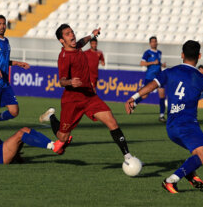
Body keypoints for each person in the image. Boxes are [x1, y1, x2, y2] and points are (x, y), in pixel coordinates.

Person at [125, 40, 203, 194]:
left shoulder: (170, 72)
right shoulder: (202, 79)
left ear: (182, 55)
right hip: (187, 125)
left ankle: (189, 172)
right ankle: (171, 180)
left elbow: (152, 85)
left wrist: (134, 98)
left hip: (171, 127)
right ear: (199, 56)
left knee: (201, 151)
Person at [41, 24, 137, 162]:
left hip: (90, 97)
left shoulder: (77, 46)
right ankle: (51, 116)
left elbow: (83, 40)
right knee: (63, 138)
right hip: (72, 101)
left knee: (112, 122)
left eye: (72, 32)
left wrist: (92, 35)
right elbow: (61, 81)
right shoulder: (63, 56)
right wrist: (70, 82)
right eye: (67, 34)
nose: (72, 35)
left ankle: (128, 157)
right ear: (62, 40)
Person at [0, 15, 30, 122]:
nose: (2, 26)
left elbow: (3, 60)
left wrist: (17, 63)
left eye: (3, 24)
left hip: (4, 83)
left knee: (14, 111)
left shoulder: (6, 41)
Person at [135, 36, 167, 122]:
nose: (154, 43)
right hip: (150, 77)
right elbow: (142, 63)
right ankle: (134, 103)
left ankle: (161, 115)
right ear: (150, 43)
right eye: (152, 41)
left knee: (162, 95)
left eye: (155, 41)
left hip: (159, 77)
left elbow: (157, 63)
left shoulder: (159, 52)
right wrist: (153, 62)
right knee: (145, 95)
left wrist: (161, 65)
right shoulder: (147, 53)